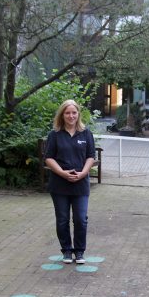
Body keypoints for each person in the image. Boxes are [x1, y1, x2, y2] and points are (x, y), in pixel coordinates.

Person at [44, 100, 96, 264]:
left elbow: (90, 156)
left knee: (80, 218)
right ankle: (67, 250)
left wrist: (83, 173)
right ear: (62, 115)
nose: (71, 116)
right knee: (62, 219)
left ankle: (79, 252)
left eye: (74, 112)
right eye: (67, 113)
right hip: (60, 184)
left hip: (80, 184)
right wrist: (61, 173)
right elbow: (49, 158)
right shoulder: (55, 134)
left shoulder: (86, 133)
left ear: (78, 114)